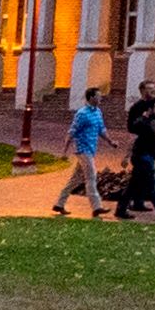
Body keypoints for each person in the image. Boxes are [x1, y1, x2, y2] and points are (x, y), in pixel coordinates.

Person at [113, 82, 155, 220]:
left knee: (135, 183)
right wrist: (127, 155)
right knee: (150, 181)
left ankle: (126, 207)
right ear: (142, 90)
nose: (153, 91)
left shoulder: (153, 107)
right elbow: (132, 130)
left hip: (149, 151)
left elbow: (154, 133)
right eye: (149, 89)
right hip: (141, 152)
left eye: (154, 88)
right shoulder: (138, 108)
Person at [53, 87, 108, 216]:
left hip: (91, 149)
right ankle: (96, 207)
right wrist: (64, 151)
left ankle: (59, 204)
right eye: (98, 96)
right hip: (82, 150)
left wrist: (111, 142)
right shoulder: (82, 114)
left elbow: (102, 130)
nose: (101, 98)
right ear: (91, 97)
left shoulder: (98, 112)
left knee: (76, 179)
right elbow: (71, 132)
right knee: (91, 176)